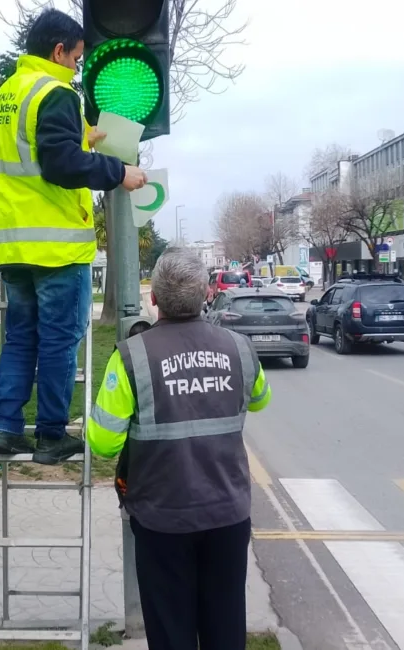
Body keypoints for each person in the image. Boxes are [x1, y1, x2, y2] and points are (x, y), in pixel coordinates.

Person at [0, 8, 148, 465]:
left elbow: (35, 155)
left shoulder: (9, 93)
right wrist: (119, 172)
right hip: (55, 248)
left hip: (15, 247)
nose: (77, 67)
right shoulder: (55, 92)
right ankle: (52, 436)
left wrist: (83, 139)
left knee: (20, 339)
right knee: (59, 341)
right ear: (58, 51)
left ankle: (6, 430)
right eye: (76, 58)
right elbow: (58, 166)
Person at [86, 251, 271, 650]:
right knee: (225, 624)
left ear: (154, 299)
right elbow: (260, 400)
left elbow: (102, 442)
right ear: (207, 294)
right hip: (227, 513)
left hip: (161, 519)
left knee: (171, 630)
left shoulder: (131, 357)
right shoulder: (240, 348)